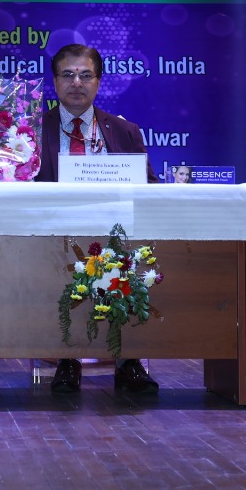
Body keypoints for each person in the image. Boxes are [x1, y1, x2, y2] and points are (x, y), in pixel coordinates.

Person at [37, 43, 160, 394]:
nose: (77, 82)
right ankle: (67, 358)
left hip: (114, 230)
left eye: (85, 75)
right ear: (55, 82)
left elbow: (149, 185)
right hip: (53, 232)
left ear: (98, 82)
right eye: (68, 75)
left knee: (131, 253)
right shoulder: (33, 128)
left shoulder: (124, 130)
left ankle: (129, 359)